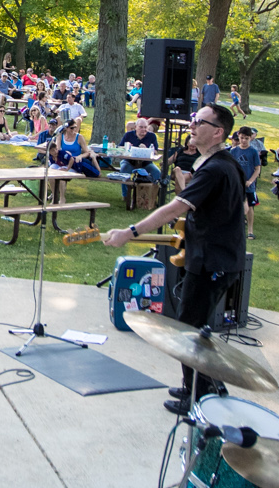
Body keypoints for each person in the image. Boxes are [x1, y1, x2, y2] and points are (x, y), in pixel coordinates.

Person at [100, 104, 244, 413]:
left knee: (191, 329)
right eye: (193, 120)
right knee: (193, 326)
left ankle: (200, 396)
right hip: (210, 256)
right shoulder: (217, 162)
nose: (192, 125)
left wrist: (131, 231)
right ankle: (200, 384)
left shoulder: (218, 167)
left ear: (218, 131)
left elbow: (175, 208)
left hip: (213, 262)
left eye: (200, 122)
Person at [225, 126, 263, 242]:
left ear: (250, 138)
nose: (244, 141)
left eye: (246, 138)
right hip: (236, 183)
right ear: (238, 136)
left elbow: (257, 169)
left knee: (250, 207)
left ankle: (250, 231)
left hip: (248, 184)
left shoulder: (253, 152)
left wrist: (251, 180)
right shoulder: (233, 151)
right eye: (241, 138)